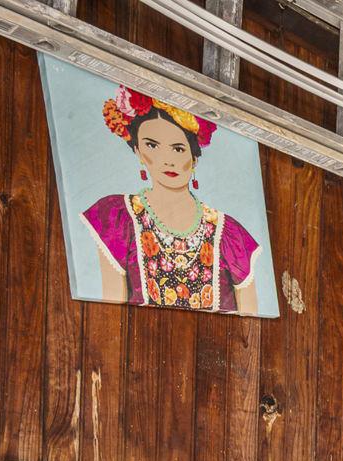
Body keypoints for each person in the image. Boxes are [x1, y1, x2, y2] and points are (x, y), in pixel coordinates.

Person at [81, 85, 261, 314]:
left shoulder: (229, 233)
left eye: (177, 148)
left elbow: (251, 328)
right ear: (137, 150)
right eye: (152, 145)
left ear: (194, 157)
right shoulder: (118, 217)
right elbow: (111, 316)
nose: (167, 160)